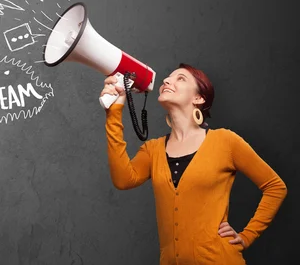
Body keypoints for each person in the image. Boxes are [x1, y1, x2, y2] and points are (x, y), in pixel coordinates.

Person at [101, 63, 287, 265]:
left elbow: (275, 187)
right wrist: (115, 110)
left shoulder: (225, 141)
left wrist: (247, 235)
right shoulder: (152, 150)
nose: (166, 81)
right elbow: (122, 180)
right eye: (168, 78)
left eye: (181, 78)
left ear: (199, 98)